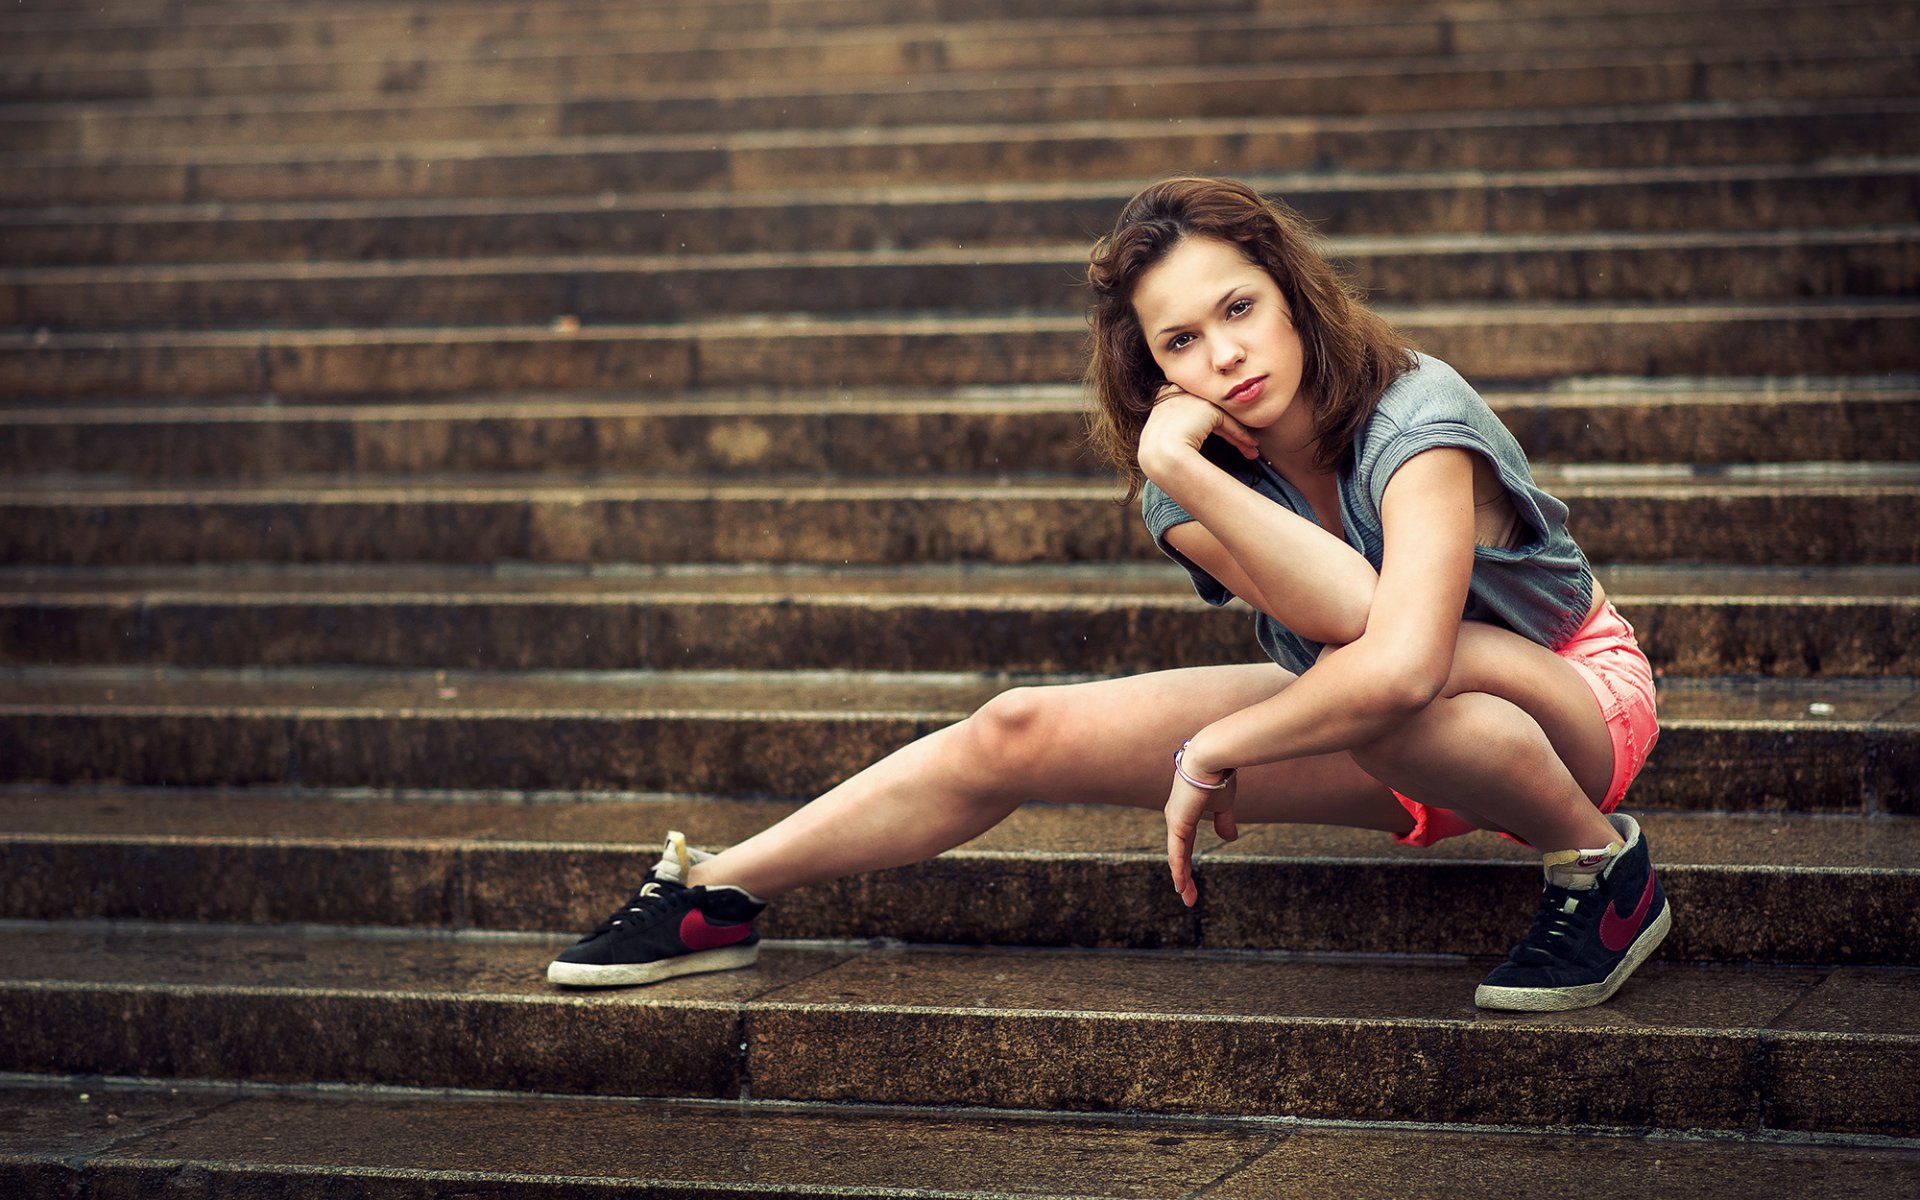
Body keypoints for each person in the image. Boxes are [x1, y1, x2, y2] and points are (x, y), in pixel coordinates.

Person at [548, 175, 1670, 1013]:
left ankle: (1600, 869)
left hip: (1565, 698)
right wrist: (1178, 466)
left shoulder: (1417, 415)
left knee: (1415, 678)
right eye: (1182, 340)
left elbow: (1406, 650)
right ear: (1153, 369)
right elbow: (1341, 616)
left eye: (1238, 309)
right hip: (1382, 714)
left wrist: (1214, 746)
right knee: (1016, 728)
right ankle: (716, 893)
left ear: (1291, 293)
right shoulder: (1185, 483)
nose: (1224, 355)